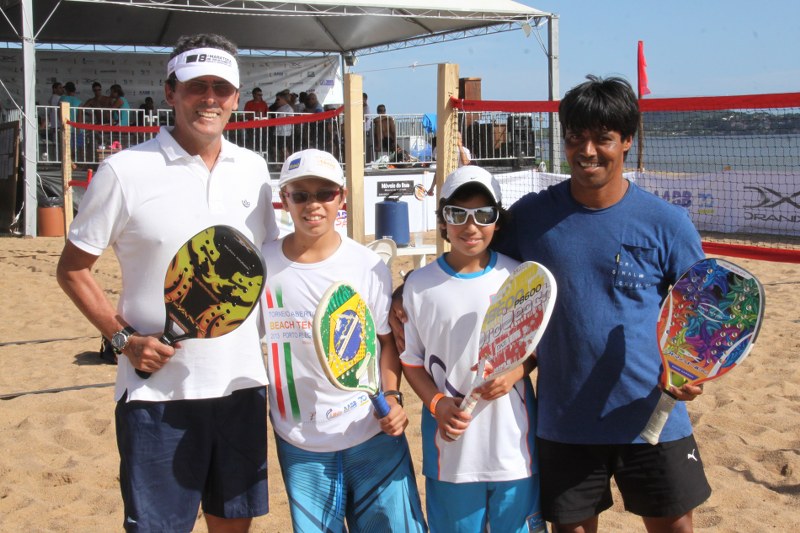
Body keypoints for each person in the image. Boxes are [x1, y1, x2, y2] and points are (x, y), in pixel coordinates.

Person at [392, 75, 710, 533]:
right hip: (565, 420)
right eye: (575, 137)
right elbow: (471, 253)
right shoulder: (532, 217)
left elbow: (701, 311)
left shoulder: (667, 223)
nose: (587, 150)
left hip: (650, 414)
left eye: (603, 138)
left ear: (626, 140)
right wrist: (407, 288)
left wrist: (694, 370)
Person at [56, 33, 278, 532]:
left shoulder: (255, 170)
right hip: (155, 396)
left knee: (233, 526)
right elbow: (71, 269)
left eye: (221, 88)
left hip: (241, 385)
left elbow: (268, 267)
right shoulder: (124, 170)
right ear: (170, 91)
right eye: (196, 86)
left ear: (236, 98)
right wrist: (123, 340)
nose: (209, 99)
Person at [262, 148, 427, 532]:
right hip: (300, 444)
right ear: (284, 198)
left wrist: (392, 397)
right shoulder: (263, 267)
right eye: (300, 195)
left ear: (342, 197)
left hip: (372, 433)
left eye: (325, 193)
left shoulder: (367, 266)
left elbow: (386, 343)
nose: (313, 204)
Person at [401, 165, 545, 533]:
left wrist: (514, 373)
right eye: (457, 214)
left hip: (513, 449)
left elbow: (535, 349)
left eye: (483, 214)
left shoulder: (519, 276)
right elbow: (411, 362)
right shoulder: (418, 285)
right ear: (442, 220)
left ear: (497, 220)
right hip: (451, 454)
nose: (470, 226)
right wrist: (437, 404)